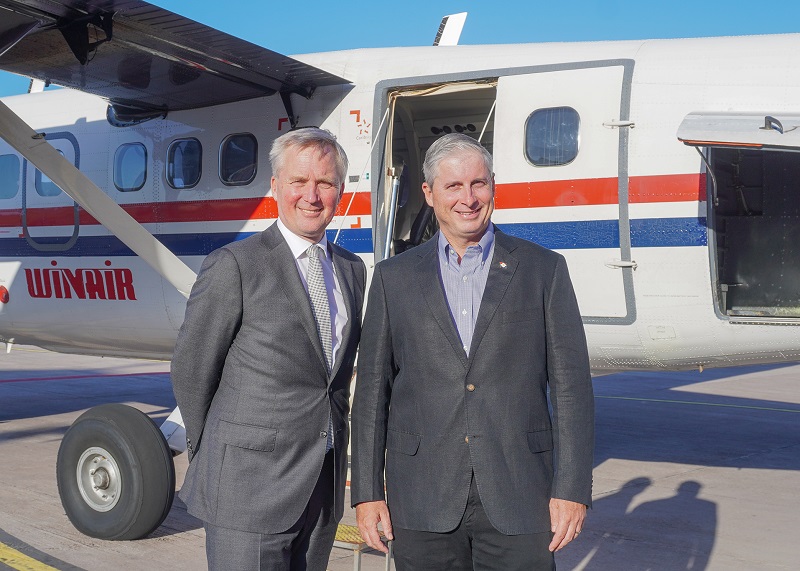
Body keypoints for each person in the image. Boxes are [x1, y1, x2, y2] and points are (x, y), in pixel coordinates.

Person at [351, 133, 594, 570]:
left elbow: (573, 390)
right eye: (453, 186)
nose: (468, 198)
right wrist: (367, 493)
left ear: (494, 186)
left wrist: (572, 488)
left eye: (478, 184)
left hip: (520, 495)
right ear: (428, 194)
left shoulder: (543, 270)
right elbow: (371, 396)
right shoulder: (394, 278)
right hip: (423, 498)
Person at [171, 128, 366, 571]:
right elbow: (191, 368)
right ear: (276, 186)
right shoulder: (235, 265)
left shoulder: (352, 271)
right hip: (247, 487)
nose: (312, 196)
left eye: (326, 183)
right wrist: (222, 454)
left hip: (321, 486)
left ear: (340, 191)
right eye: (299, 181)